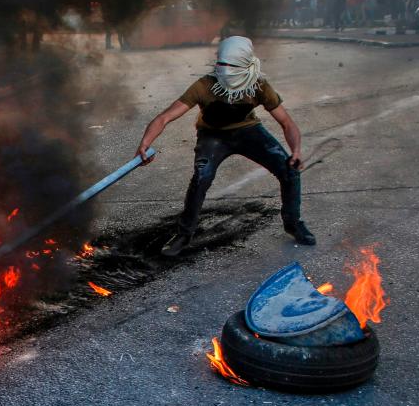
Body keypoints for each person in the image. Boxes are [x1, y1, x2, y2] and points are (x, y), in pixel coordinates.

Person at [135, 36, 315, 256]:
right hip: (213, 135)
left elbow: (287, 123)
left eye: (231, 65)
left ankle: (293, 222)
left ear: (246, 64)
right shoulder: (205, 85)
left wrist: (295, 151)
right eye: (221, 64)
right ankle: (184, 234)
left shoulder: (258, 85)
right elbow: (164, 118)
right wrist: (145, 143)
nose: (225, 69)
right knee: (201, 177)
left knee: (289, 169)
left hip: (249, 131)